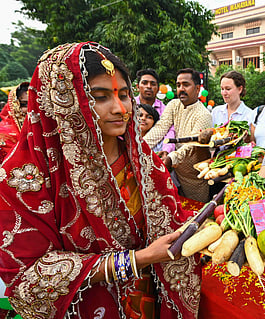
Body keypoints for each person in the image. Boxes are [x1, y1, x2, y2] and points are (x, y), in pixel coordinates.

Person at [0, 42, 201, 319]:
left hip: (151, 301)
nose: (120, 108)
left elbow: (170, 220)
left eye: (124, 94)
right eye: (101, 96)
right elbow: (28, 278)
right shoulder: (24, 181)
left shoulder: (144, 162)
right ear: (65, 101)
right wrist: (138, 259)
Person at [144, 68, 212, 202]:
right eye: (178, 85)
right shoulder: (174, 104)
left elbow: (191, 146)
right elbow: (160, 128)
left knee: (198, 215)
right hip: (176, 175)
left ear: (198, 89)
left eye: (186, 85)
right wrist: (139, 146)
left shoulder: (204, 115)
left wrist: (171, 158)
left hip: (196, 178)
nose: (181, 89)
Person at [135, 68, 175, 153]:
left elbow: (170, 132)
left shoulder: (165, 110)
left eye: (153, 84)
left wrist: (166, 151)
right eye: (144, 83)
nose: (149, 86)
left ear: (157, 89)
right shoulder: (129, 106)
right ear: (138, 87)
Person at [0, 82, 29, 161]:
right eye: (24, 104)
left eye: (33, 104)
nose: (30, 109)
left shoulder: (46, 130)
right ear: (13, 105)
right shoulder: (3, 134)